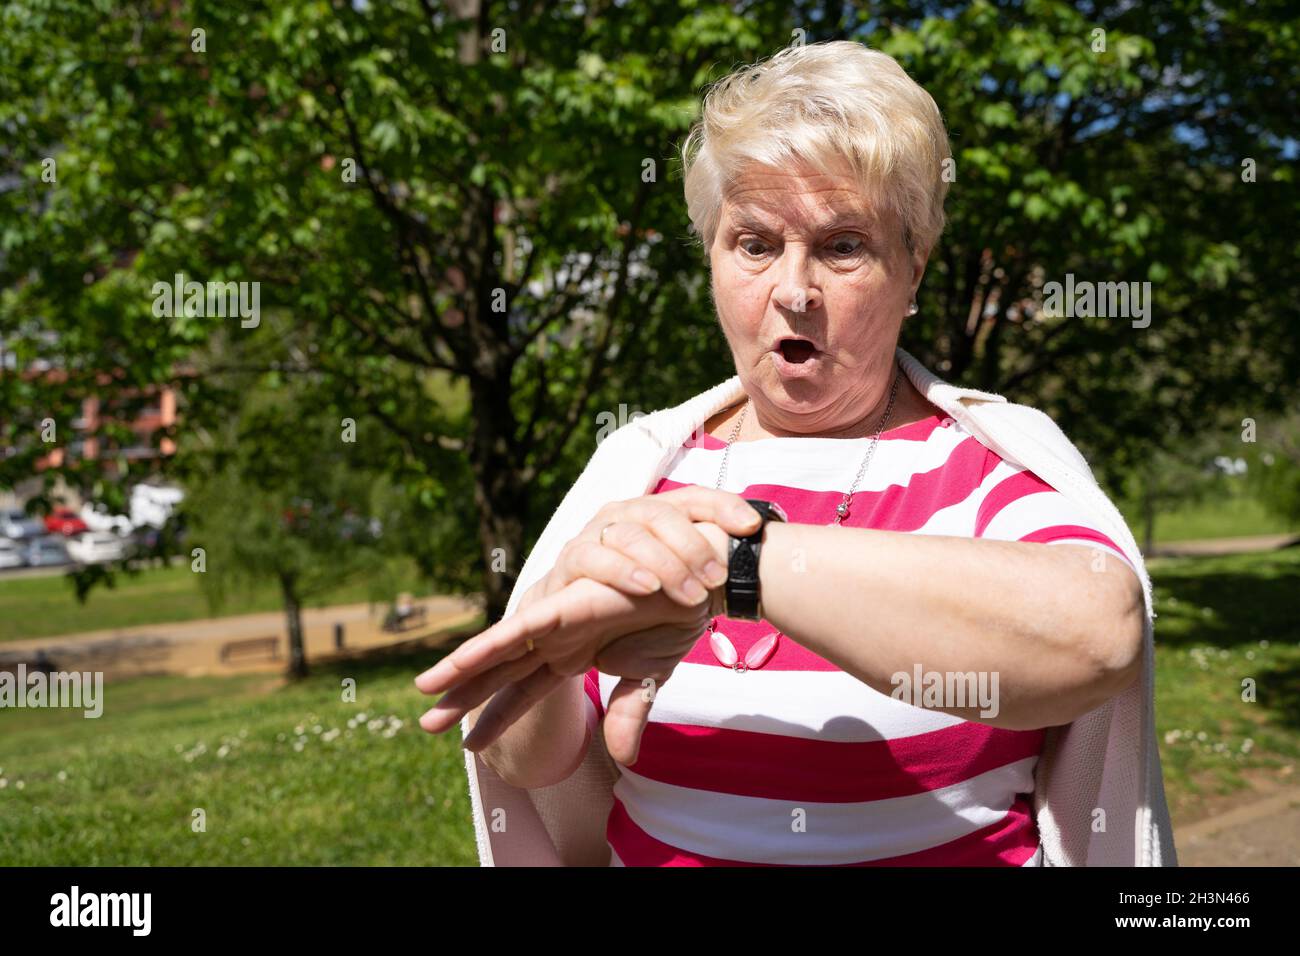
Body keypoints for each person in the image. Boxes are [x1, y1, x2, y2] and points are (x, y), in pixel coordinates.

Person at [415, 40, 1177, 867]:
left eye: (844, 245)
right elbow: (528, 760)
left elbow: (1099, 635)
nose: (793, 288)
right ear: (711, 258)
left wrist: (734, 565)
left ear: (913, 269)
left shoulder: (984, 464)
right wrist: (556, 652)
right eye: (753, 243)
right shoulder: (642, 469)